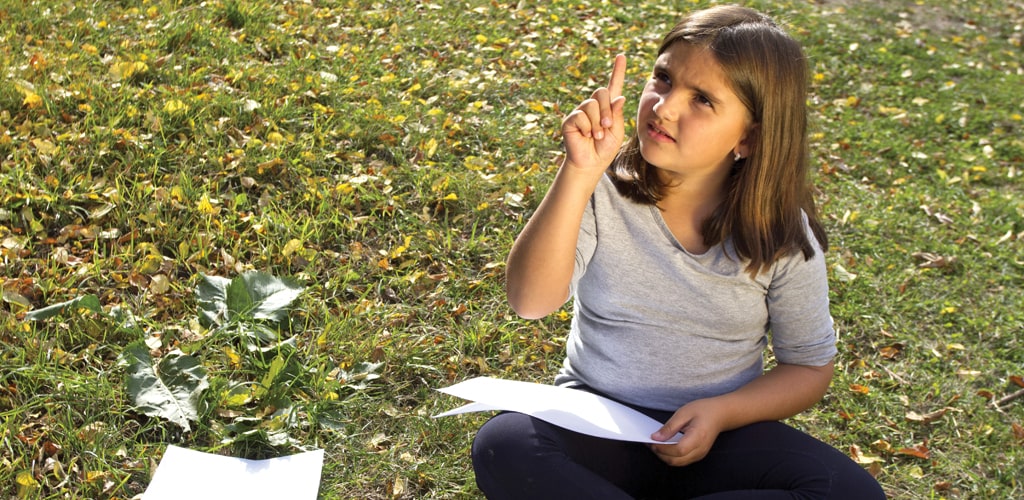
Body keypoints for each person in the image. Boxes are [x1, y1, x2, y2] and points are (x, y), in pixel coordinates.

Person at [470, 5, 886, 499]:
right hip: (596, 426)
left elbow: (809, 367)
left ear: (749, 138)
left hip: (717, 438)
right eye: (663, 78)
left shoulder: (780, 233)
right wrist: (578, 174)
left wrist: (721, 413)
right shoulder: (601, 189)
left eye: (702, 99)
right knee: (506, 442)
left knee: (849, 492)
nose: (664, 106)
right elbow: (530, 301)